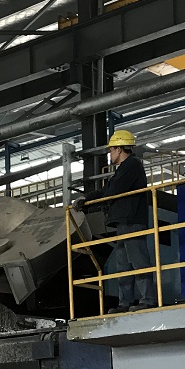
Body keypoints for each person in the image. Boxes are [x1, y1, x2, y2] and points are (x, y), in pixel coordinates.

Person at [75, 130, 154, 312]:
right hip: (123, 223)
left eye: (111, 150)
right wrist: (86, 199)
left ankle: (148, 300)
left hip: (132, 221)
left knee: (138, 261)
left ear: (119, 149)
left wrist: (97, 200)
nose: (110, 154)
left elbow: (113, 190)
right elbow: (107, 190)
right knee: (123, 266)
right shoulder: (122, 170)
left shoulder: (133, 165)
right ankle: (124, 303)